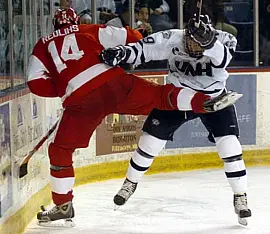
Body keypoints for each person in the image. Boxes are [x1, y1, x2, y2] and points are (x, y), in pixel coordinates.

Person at [26, 8, 227, 226]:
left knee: (60, 150)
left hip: (81, 101)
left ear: (54, 25)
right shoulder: (88, 29)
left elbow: (35, 82)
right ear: (75, 20)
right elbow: (130, 37)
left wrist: (64, 87)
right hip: (114, 83)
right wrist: (138, 33)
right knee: (160, 96)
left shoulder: (42, 45)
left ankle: (63, 205)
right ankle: (202, 101)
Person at [100, 15, 251, 225]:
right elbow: (143, 50)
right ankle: (130, 183)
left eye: (200, 44)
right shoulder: (172, 38)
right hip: (177, 98)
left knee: (230, 146)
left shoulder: (225, 39)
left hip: (214, 98)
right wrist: (123, 53)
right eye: (191, 42)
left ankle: (240, 196)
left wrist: (209, 43)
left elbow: (223, 59)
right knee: (149, 142)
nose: (194, 48)